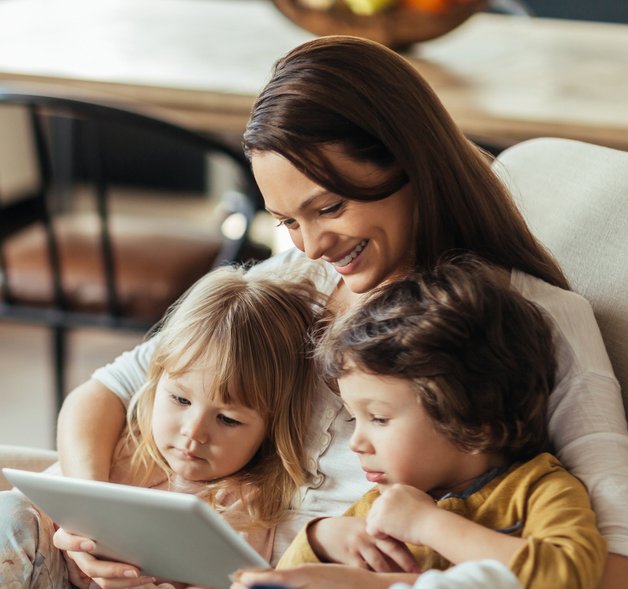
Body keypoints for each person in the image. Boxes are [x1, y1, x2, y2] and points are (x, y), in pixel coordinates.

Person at [53, 35, 628, 589]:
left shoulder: (537, 320)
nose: (310, 245)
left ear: (413, 163)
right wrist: (93, 523)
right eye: (286, 221)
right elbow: (106, 391)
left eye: (329, 207)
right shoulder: (290, 284)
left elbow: (614, 566)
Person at [272, 257, 606, 589]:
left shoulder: (537, 489)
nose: (356, 442)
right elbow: (280, 583)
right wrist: (319, 540)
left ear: (476, 416)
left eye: (378, 418)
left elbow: (570, 575)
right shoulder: (379, 507)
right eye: (353, 416)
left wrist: (428, 524)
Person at [0, 266, 321, 588]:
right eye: (181, 400)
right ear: (155, 383)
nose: (193, 432)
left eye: (228, 419)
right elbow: (28, 519)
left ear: (270, 430)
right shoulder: (124, 446)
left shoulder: (243, 510)